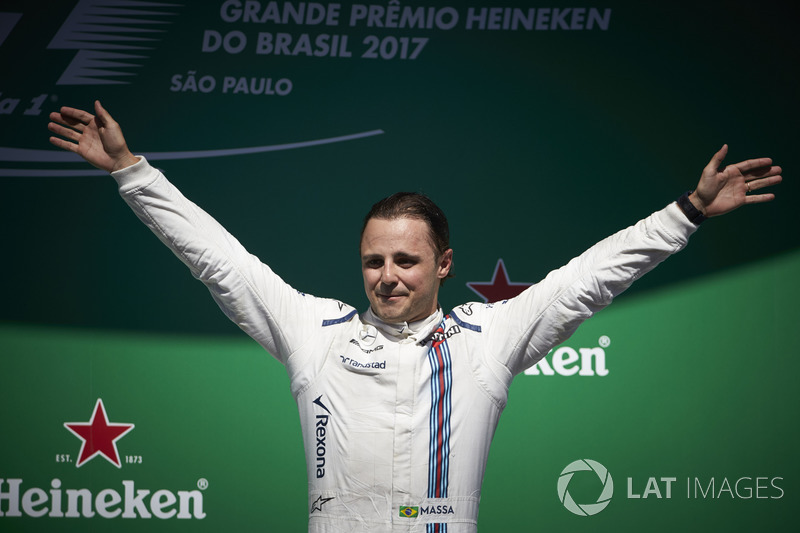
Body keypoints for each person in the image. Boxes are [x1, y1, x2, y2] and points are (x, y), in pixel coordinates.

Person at [48, 101, 781, 532]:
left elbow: (587, 278)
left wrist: (685, 212)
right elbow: (220, 259)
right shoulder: (316, 332)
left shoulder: (488, 337)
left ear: (443, 265)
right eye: (374, 261)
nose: (388, 276)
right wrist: (132, 172)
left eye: (406, 260)